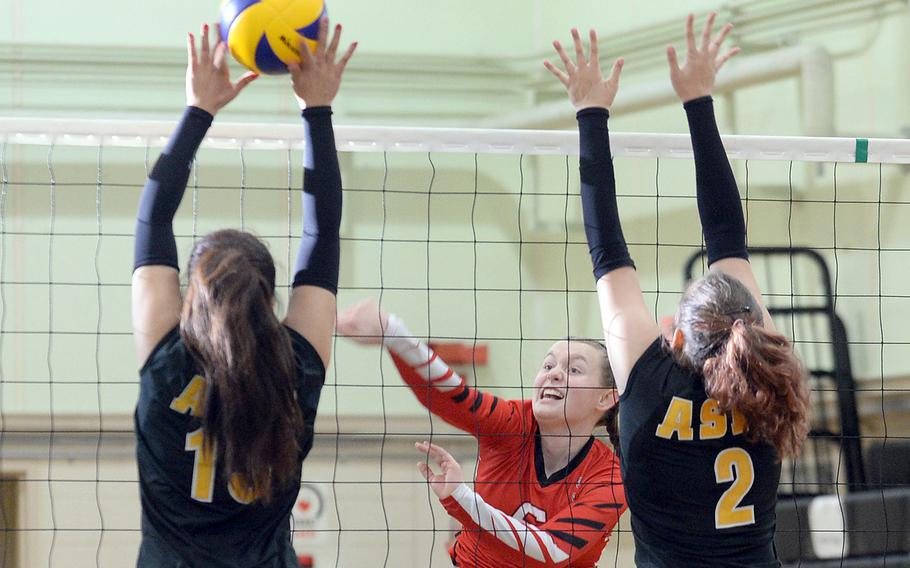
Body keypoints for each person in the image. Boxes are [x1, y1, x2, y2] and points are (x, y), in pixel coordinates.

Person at [545, 13, 810, 567]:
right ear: (747, 323)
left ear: (681, 339)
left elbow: (609, 245)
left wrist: (592, 112)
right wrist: (697, 100)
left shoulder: (651, 380)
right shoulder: (769, 392)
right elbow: (718, 236)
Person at [130, 20, 356, 567]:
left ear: (189, 296)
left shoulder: (165, 361)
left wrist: (198, 109)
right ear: (271, 298)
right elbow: (323, 234)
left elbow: (150, 217)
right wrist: (316, 108)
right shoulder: (294, 367)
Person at [337, 299, 627, 567]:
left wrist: (462, 498)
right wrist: (393, 332)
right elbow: (454, 396)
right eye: (548, 365)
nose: (553, 374)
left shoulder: (611, 477)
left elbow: (553, 550)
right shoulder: (513, 424)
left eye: (574, 370)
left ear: (606, 398)